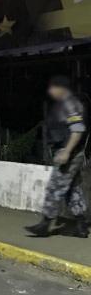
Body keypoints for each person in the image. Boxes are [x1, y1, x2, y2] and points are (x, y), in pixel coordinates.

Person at [25, 75, 88, 238]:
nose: (50, 91)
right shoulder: (64, 105)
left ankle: (45, 225)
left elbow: (78, 129)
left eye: (53, 87)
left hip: (70, 153)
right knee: (72, 190)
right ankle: (81, 226)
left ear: (62, 88)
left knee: (55, 187)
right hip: (70, 152)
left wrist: (67, 151)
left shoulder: (71, 104)